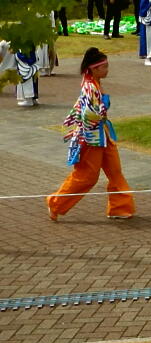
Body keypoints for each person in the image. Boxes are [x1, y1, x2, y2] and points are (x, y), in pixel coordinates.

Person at [46, 48, 134, 221]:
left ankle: (120, 207)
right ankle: (55, 203)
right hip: (91, 138)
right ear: (94, 68)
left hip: (104, 135)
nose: (107, 70)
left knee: (115, 171)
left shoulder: (95, 83)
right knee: (87, 176)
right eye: (104, 67)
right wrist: (102, 111)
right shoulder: (89, 87)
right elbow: (87, 115)